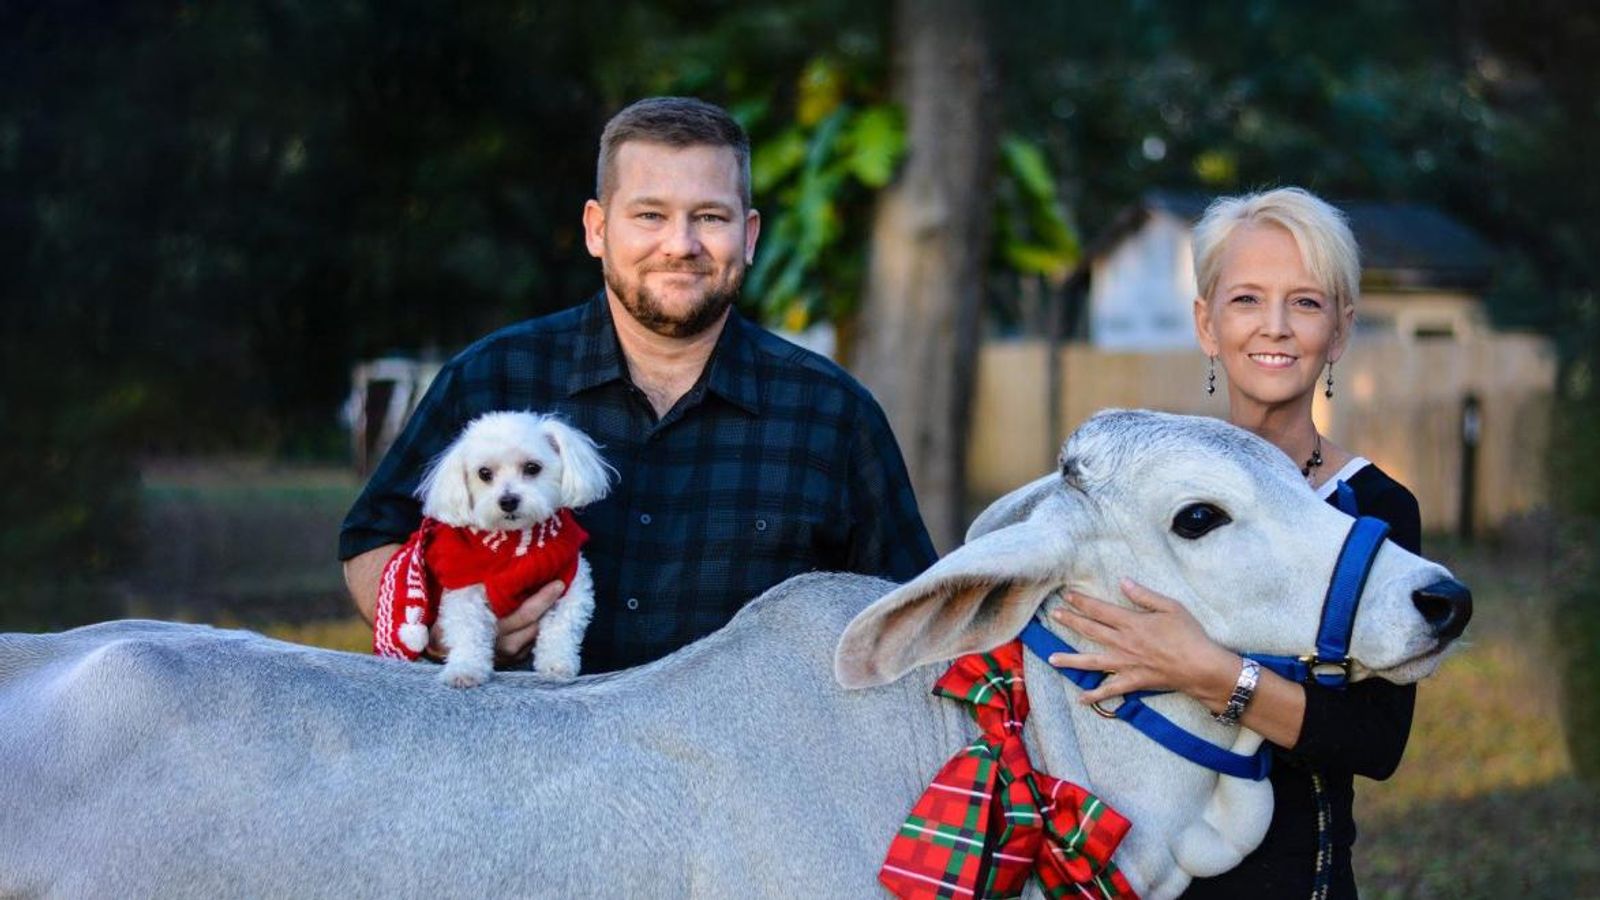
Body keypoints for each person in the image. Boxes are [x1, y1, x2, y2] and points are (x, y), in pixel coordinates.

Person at [340, 97, 936, 673]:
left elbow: (914, 618)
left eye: (710, 216)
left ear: (749, 236)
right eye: (650, 215)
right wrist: (446, 634)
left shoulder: (833, 415)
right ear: (597, 229)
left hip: (737, 772)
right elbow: (372, 537)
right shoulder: (489, 379)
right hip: (523, 763)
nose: (681, 245)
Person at [1046, 187, 1420, 898]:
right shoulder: (1147, 491)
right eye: (1246, 299)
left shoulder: (1374, 511)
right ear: (1206, 323)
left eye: (1305, 303)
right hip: (1130, 872)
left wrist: (1212, 673)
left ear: (1340, 332)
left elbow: (1376, 743)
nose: (1274, 327)